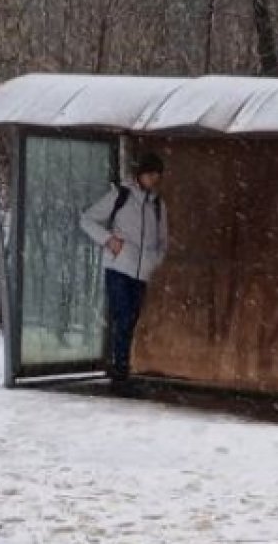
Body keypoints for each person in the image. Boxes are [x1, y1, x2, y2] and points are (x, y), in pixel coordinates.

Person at [80, 152, 168, 383]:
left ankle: (120, 367)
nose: (153, 181)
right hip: (119, 268)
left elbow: (163, 240)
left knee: (130, 319)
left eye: (157, 177)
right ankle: (120, 370)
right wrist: (110, 240)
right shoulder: (120, 195)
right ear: (141, 174)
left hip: (141, 273)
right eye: (150, 175)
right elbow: (87, 219)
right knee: (124, 317)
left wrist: (154, 260)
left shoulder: (158, 204)